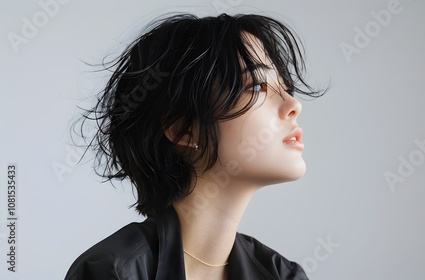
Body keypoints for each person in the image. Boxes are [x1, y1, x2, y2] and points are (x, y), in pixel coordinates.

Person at [65, 12, 322, 280]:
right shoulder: (112, 272)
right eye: (257, 86)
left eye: (285, 86)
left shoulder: (283, 275)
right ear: (183, 128)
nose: (294, 105)